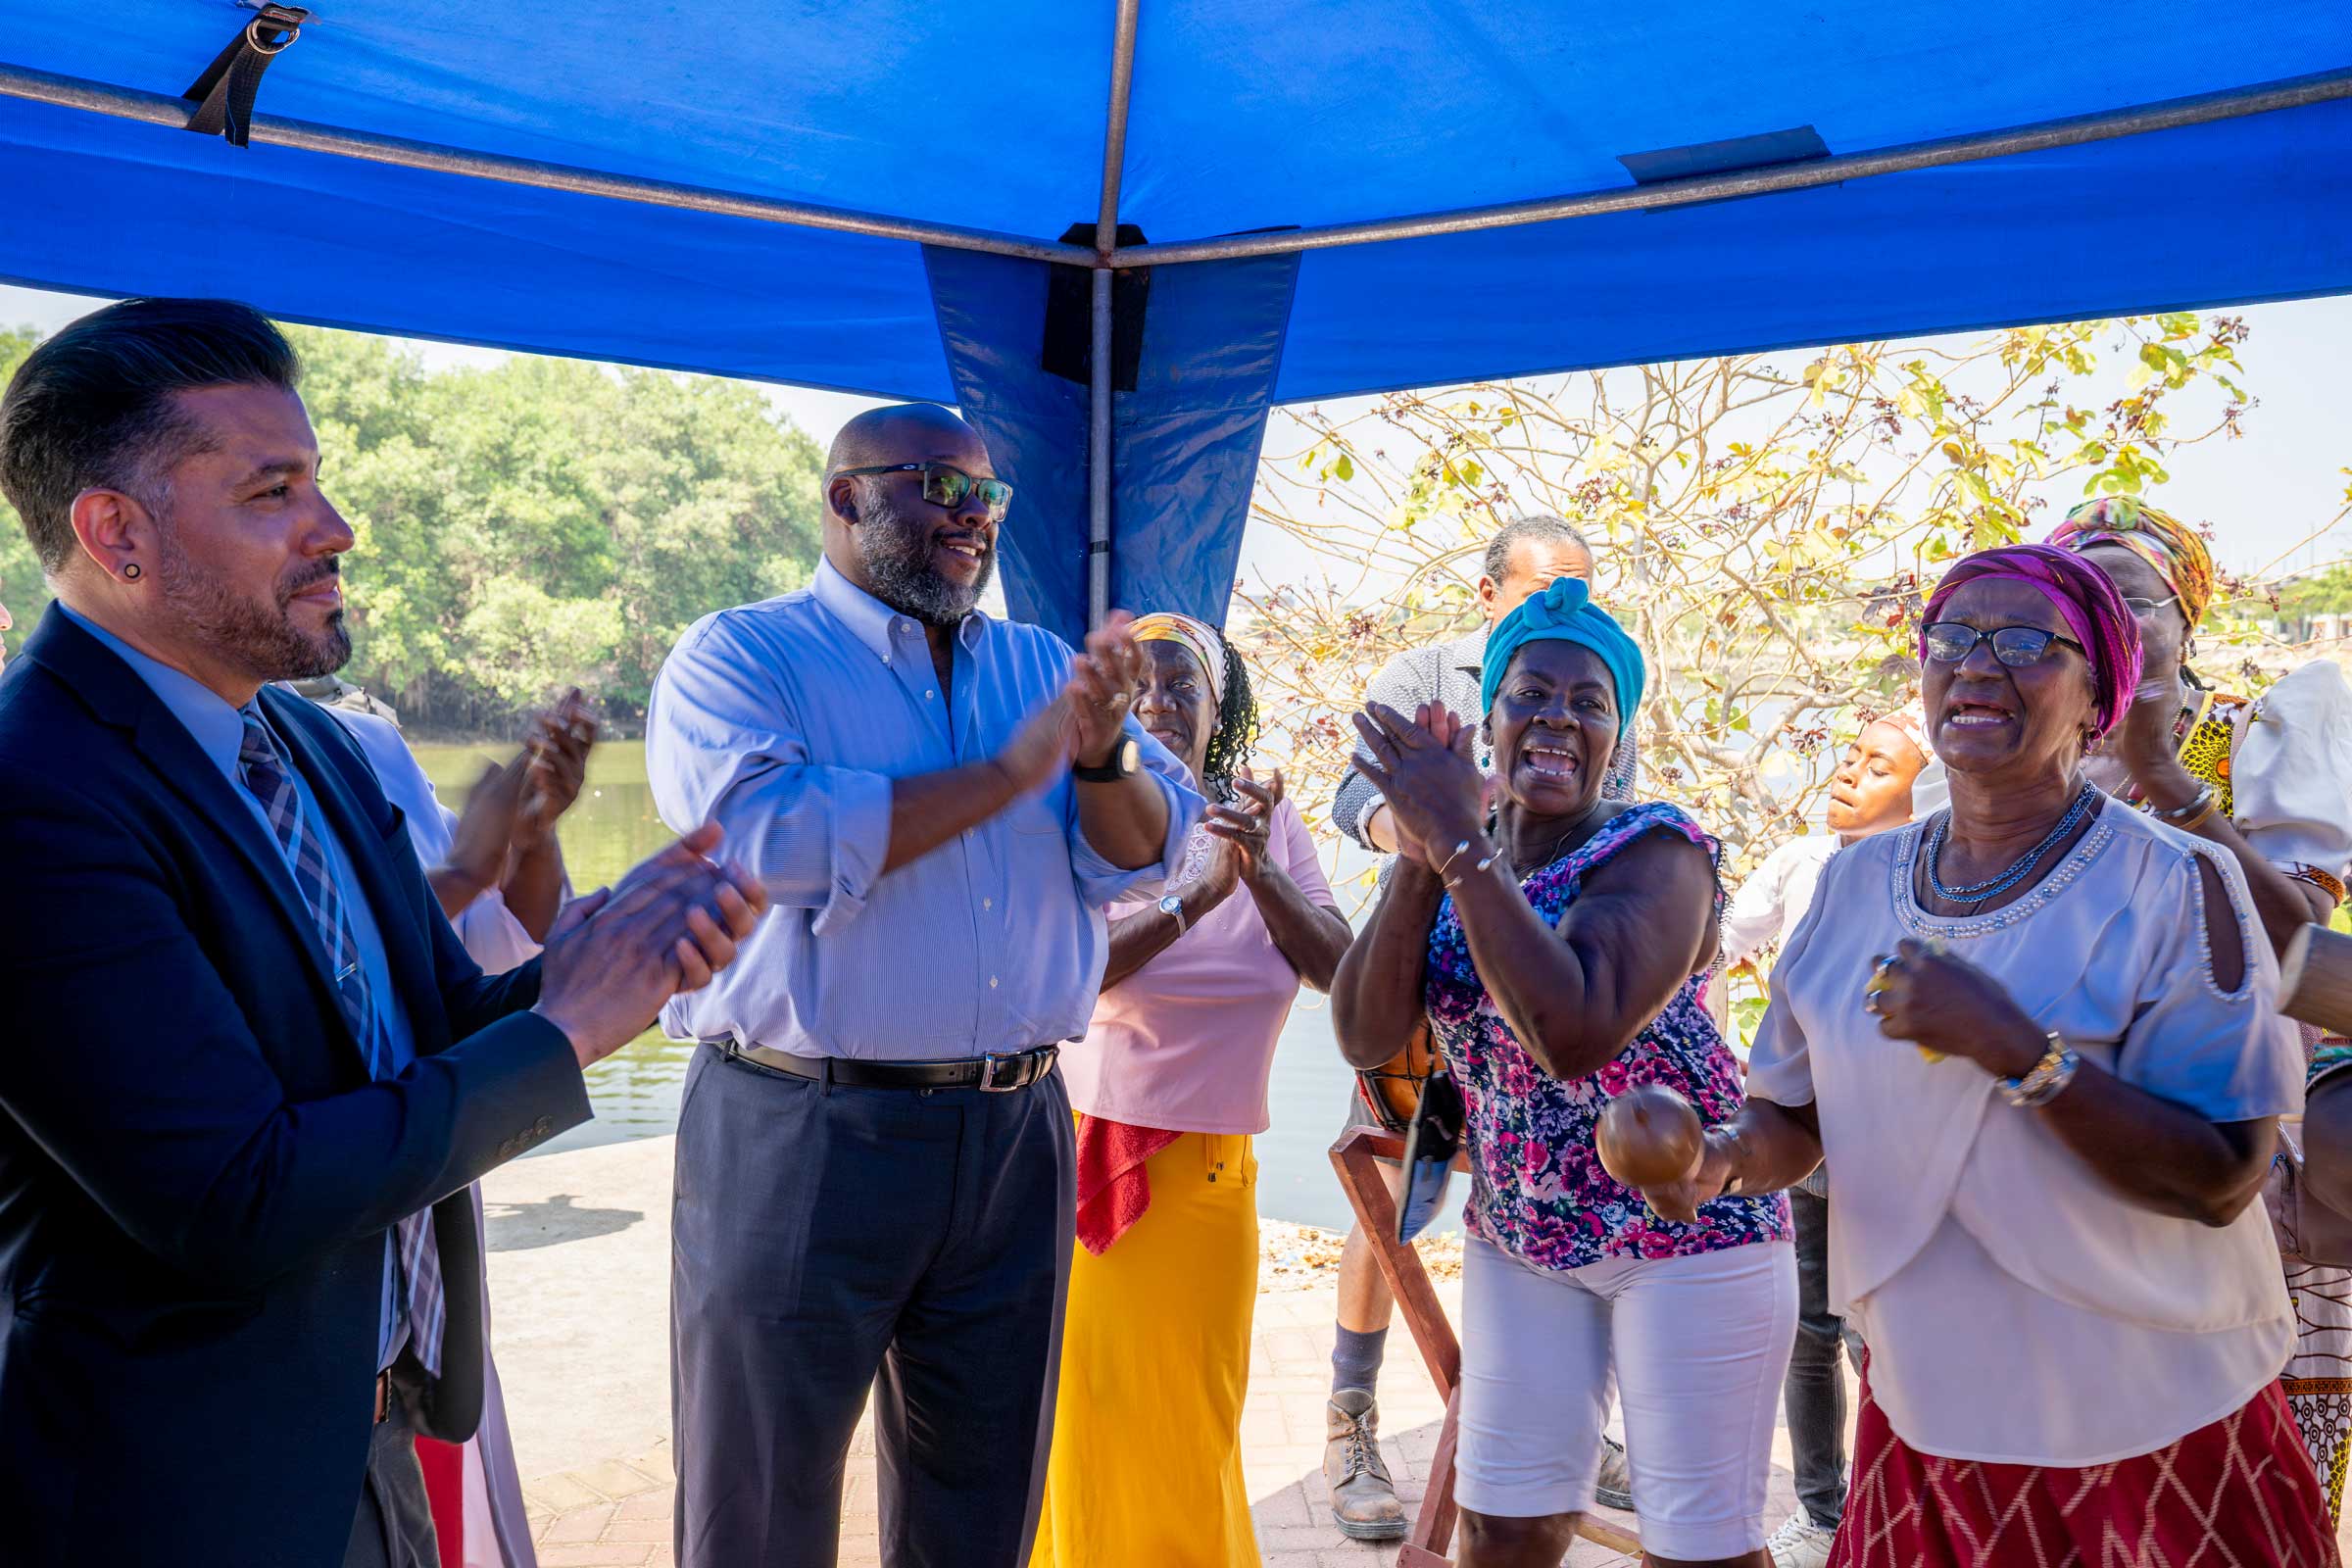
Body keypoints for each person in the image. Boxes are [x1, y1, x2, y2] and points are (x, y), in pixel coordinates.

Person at [0, 298, 764, 1568]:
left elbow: (420, 1030)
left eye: (322, 481)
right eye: (272, 492)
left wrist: (602, 960)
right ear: (114, 532)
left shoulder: (306, 743)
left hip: (373, 1438)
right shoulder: (37, 797)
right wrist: (571, 1032)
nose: (336, 528)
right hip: (179, 1493)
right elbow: (236, 1196)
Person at [1637, 544, 2336, 1565]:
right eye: (1950, 640)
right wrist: (1717, 1162)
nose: (1974, 664)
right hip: (1928, 1422)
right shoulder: (1851, 885)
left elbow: (2225, 1177)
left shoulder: (2178, 885)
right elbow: (1793, 1115)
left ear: (2100, 694)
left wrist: (2016, 1048)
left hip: (2155, 1433)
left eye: (2022, 642)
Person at [647, 403, 1203, 1568]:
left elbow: (1148, 850)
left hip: (1015, 1130)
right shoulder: (744, 653)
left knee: (982, 1504)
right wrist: (1008, 772)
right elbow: (771, 839)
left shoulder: (1043, 667)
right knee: (758, 1509)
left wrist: (1097, 757)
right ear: (846, 497)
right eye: (937, 487)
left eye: (987, 495)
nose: (972, 517)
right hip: (803, 1125)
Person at [1332, 576, 1795, 1568]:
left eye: (1589, 702)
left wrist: (1456, 841)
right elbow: (1369, 1033)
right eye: (1530, 694)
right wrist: (1419, 855)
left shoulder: (1659, 851)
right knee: (1501, 1534)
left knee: (1697, 1546)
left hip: (1687, 1233)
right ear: (1492, 718)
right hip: (1524, 1235)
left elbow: (1572, 1031)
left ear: (1618, 737)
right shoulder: (1464, 861)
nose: (1557, 717)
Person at [1323, 513, 1641, 1535]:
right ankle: (1353, 1409)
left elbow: (1619, 808)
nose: (1570, 606)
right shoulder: (1425, 671)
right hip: (1437, 975)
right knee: (1391, 1186)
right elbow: (1348, 796)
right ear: (1487, 594)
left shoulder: (1603, 676)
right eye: (1548, 586)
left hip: (1548, 982)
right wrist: (1425, 827)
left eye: (1585, 586)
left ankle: (1575, 1416)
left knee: (1573, 1183)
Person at [2046, 496, 2352, 1515]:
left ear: (2189, 617)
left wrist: (2166, 777)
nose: (2112, 625)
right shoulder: (2015, 763)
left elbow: (2301, 939)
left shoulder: (2255, 730)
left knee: (2232, 1485)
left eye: (2135, 601)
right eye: (2080, 602)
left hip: (2235, 1151)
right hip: (2067, 1145)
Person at [1032, 612, 1352, 1568]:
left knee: (1193, 1416)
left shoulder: (1264, 816)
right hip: (1094, 1159)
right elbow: (1068, 979)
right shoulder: (1082, 809)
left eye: (1186, 687)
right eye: (1143, 683)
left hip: (1214, 1175)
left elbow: (1338, 967)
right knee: (1095, 1413)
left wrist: (1249, 867)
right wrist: (1193, 897)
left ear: (1223, 710)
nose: (1162, 702)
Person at [325, 688, 598, 1568]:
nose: (336, 541)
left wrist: (532, 829)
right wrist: (462, 874)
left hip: (419, 1267)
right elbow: (296, 967)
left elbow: (495, 940)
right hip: (304, 1244)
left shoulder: (356, 744)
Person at [1718, 715, 1929, 1568]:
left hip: (1894, 1151)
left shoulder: (1944, 879)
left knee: (1874, 1333)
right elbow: (1715, 947)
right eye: (1848, 759)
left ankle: (1891, 1513)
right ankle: (1820, 1512)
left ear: (1922, 791)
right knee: (1810, 1330)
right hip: (1804, 1135)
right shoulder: (1804, 863)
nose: (1847, 777)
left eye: (1877, 766)